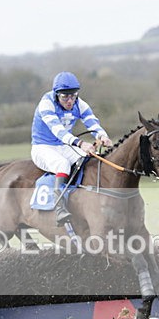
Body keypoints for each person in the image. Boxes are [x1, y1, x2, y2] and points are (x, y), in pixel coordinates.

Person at [31, 71, 113, 225]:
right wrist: (81, 144)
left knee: (88, 159)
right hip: (43, 147)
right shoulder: (46, 103)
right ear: (56, 95)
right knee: (62, 164)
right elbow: (59, 131)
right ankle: (59, 207)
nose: (70, 101)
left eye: (73, 96)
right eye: (65, 97)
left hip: (63, 146)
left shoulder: (79, 103)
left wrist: (102, 135)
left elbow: (92, 122)